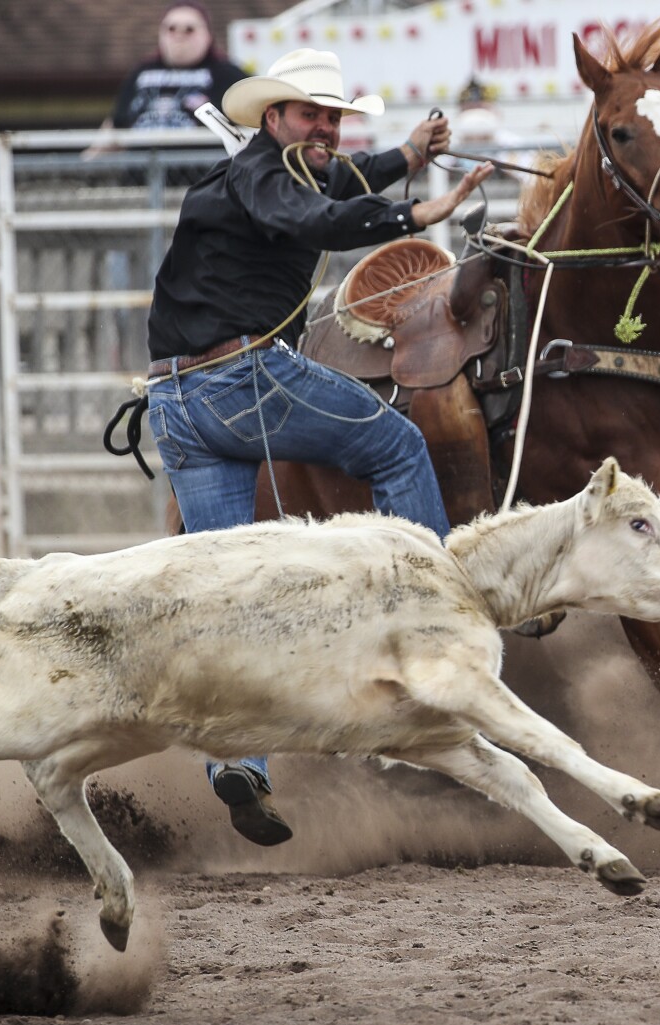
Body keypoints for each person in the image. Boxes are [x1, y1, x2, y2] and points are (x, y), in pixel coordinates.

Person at [144, 47, 493, 846]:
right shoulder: (262, 180)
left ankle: (242, 764)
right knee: (400, 448)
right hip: (241, 383)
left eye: (334, 117)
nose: (327, 130)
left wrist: (409, 156)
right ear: (274, 119)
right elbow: (307, 219)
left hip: (176, 403)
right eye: (313, 116)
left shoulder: (281, 171)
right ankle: (437, 632)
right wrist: (415, 216)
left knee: (234, 591)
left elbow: (341, 184)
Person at [84, 1, 248, 157]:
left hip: (202, 179)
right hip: (140, 179)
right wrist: (83, 164)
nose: (179, 35)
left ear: (207, 34)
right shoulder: (141, 72)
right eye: (171, 28)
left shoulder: (227, 74)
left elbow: (250, 126)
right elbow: (115, 124)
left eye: (189, 29)